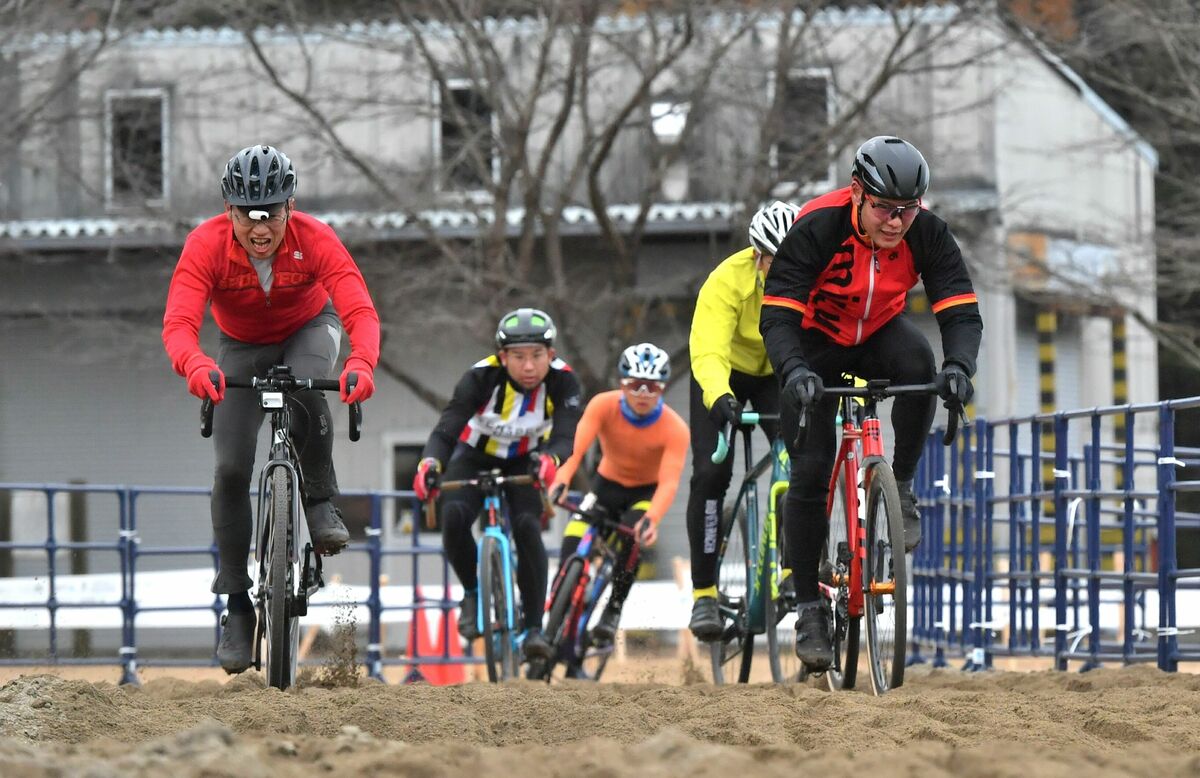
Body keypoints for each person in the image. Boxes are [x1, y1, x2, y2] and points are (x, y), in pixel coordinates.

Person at [760, 135, 982, 672]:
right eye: (884, 208)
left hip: (879, 330)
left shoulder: (927, 233)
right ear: (857, 194)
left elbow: (960, 311)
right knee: (810, 472)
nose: (896, 221)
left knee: (921, 367)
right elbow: (778, 315)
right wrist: (793, 372)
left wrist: (959, 368)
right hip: (815, 340)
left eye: (908, 209)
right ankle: (810, 610)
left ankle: (899, 484)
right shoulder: (817, 224)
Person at [162, 144, 380, 674]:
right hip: (241, 344)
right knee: (232, 467)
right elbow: (179, 325)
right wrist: (194, 365)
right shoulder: (205, 246)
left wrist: (362, 363)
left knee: (306, 384)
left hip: (309, 326)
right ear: (228, 210)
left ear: (290, 207)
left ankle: (320, 499)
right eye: (247, 216)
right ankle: (237, 603)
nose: (260, 228)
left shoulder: (316, 238)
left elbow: (358, 307)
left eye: (273, 214)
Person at [412, 308, 583, 661]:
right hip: (475, 455)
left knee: (527, 526)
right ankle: (473, 592)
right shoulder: (479, 378)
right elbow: (447, 429)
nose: (529, 366)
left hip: (529, 460)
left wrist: (550, 460)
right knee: (455, 516)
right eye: (519, 357)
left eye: (537, 355)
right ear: (502, 357)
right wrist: (429, 464)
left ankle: (534, 628)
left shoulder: (565, 381)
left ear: (551, 354)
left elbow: (567, 436)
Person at [684, 200, 799, 641]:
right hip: (726, 371)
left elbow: (836, 338)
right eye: (776, 264)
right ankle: (705, 595)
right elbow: (708, 351)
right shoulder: (725, 281)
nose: (785, 274)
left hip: (780, 371)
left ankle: (795, 569)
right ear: (757, 257)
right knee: (712, 472)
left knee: (803, 461)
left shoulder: (816, 278)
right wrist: (720, 396)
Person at [548, 343, 689, 661]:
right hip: (604, 487)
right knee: (573, 535)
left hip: (643, 495)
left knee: (632, 537)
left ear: (662, 389)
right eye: (634, 384)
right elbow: (574, 449)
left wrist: (651, 519)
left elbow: (669, 482)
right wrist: (560, 480)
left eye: (651, 386)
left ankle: (612, 611)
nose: (642, 392)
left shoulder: (675, 428)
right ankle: (560, 601)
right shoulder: (602, 405)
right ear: (621, 383)